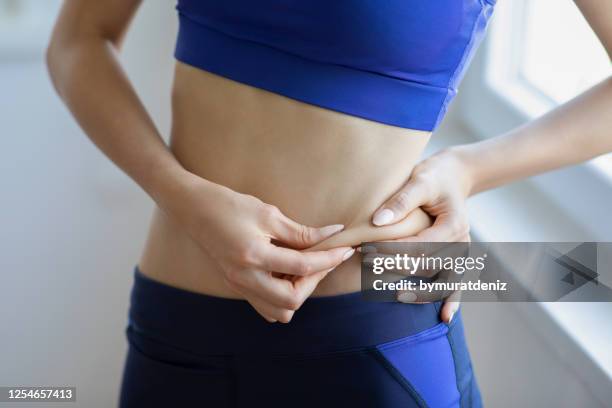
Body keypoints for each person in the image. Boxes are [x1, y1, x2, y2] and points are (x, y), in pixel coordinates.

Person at [46, 0, 611, 406]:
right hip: (176, 332)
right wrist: (183, 195)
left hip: (380, 330)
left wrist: (468, 169)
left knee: (587, 270)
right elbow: (77, 40)